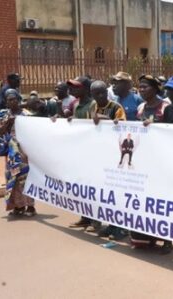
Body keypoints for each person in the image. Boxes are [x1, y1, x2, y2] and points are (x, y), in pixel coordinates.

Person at [132, 74, 173, 254]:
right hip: (145, 162)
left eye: (145, 87)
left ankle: (167, 241)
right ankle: (149, 237)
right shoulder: (141, 107)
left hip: (163, 163)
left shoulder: (166, 108)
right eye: (140, 87)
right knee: (147, 202)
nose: (142, 90)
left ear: (156, 89)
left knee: (163, 202)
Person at [89, 80, 128, 241]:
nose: (100, 96)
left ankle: (121, 227)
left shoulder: (116, 107)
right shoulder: (93, 107)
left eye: (103, 92)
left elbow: (123, 126)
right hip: (100, 154)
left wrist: (103, 118)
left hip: (115, 155)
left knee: (118, 191)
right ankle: (111, 224)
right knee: (106, 192)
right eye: (97, 93)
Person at [0, 89, 36, 217]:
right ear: (6, 102)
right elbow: (0, 132)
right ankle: (18, 206)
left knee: (25, 178)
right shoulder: (4, 115)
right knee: (12, 177)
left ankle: (30, 206)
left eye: (14, 99)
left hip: (24, 152)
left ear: (19, 100)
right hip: (11, 153)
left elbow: (34, 132)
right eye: (9, 100)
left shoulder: (26, 114)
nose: (12, 101)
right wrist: (8, 122)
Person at [67, 76, 99, 231]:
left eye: (76, 87)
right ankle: (85, 217)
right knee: (82, 187)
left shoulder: (94, 104)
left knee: (93, 187)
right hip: (79, 152)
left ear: (86, 89)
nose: (72, 90)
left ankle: (96, 221)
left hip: (93, 153)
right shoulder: (75, 104)